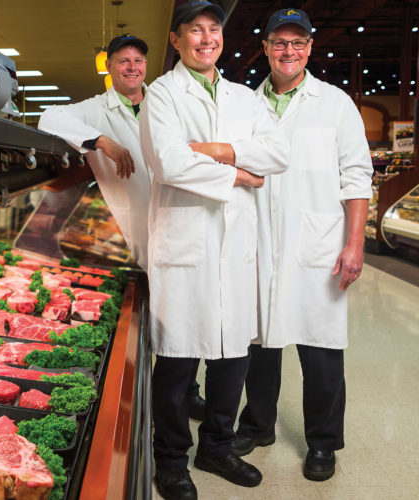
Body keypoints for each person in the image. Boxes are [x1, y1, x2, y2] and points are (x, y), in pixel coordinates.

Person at [138, 2, 289, 498]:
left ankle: (217, 447)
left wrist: (216, 150)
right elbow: (169, 163)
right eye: (195, 31)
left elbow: (278, 153)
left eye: (214, 29)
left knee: (233, 357)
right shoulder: (160, 94)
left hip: (237, 246)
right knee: (178, 359)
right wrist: (240, 173)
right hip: (186, 245)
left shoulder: (245, 97)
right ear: (177, 41)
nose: (207, 38)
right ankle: (172, 458)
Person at [232, 8, 373, 482]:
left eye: (298, 42)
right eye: (279, 42)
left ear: (310, 47)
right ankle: (258, 425)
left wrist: (355, 245)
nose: (288, 51)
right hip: (259, 242)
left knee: (321, 348)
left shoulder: (335, 104)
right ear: (267, 48)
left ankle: (323, 442)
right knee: (259, 344)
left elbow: (357, 177)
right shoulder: (247, 106)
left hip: (318, 246)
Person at [39, 33, 207, 419]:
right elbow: (48, 117)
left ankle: (189, 391)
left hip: (180, 221)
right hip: (134, 232)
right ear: (110, 67)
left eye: (138, 61)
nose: (132, 67)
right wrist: (104, 143)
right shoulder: (97, 109)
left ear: (145, 67)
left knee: (186, 310)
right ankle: (154, 394)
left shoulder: (166, 101)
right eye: (123, 61)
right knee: (150, 319)